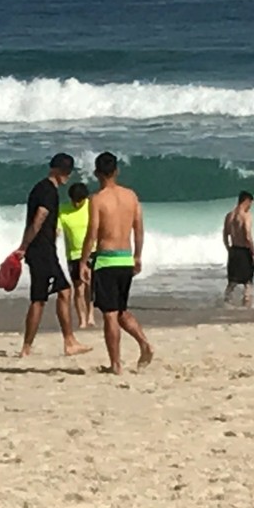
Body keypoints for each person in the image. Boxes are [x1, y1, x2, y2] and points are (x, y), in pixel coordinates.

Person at [81, 153, 153, 375]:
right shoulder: (131, 196)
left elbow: (92, 232)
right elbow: (138, 229)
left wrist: (84, 262)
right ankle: (143, 343)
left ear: (96, 173)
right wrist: (138, 256)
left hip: (106, 260)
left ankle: (116, 364)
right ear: (117, 171)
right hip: (125, 258)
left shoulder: (97, 199)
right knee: (121, 311)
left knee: (110, 314)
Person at [15, 154, 89, 357]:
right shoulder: (49, 191)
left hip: (41, 251)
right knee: (61, 292)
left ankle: (27, 348)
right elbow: (39, 218)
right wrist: (24, 246)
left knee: (41, 297)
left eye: (68, 171)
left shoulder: (40, 187)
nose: (67, 175)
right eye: (64, 171)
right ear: (55, 170)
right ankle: (68, 342)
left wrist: (26, 247)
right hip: (42, 251)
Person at [58, 182, 95, 328]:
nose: (76, 203)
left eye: (79, 200)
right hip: (73, 254)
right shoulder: (63, 210)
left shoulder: (91, 207)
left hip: (92, 251)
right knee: (78, 288)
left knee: (90, 285)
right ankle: (82, 320)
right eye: (74, 200)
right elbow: (57, 229)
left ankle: (91, 315)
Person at [222, 191, 254, 307]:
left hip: (233, 250)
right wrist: (253, 252)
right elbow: (247, 234)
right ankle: (246, 306)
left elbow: (225, 235)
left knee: (232, 283)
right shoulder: (246, 216)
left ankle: (226, 303)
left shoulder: (229, 216)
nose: (251, 206)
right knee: (248, 283)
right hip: (243, 251)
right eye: (250, 203)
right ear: (246, 201)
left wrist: (229, 249)